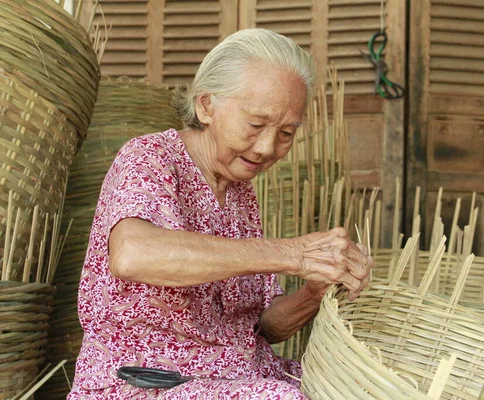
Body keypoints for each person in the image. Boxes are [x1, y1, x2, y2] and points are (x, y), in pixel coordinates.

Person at [67, 28, 373, 399]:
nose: (266, 148)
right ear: (206, 105)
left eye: (287, 133)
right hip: (144, 383)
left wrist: (314, 289)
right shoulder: (150, 158)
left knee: (356, 386)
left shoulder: (240, 194)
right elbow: (133, 254)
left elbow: (262, 327)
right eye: (255, 125)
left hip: (237, 375)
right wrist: (293, 254)